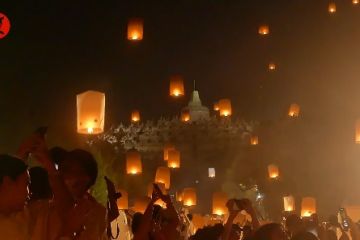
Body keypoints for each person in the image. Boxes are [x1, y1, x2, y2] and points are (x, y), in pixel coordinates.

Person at [57, 149, 108, 240]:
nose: (75, 178)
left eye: (81, 172)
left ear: (90, 177)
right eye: (70, 172)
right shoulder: (50, 209)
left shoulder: (98, 212)